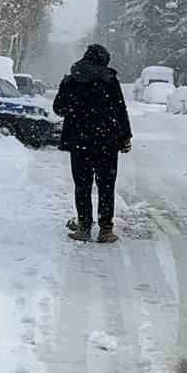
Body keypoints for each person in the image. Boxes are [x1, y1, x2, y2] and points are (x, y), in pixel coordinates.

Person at [54, 44, 133, 243]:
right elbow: (120, 111)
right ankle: (106, 229)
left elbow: (59, 108)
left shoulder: (71, 80)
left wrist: (75, 109)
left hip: (79, 141)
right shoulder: (109, 80)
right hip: (106, 141)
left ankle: (84, 227)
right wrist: (126, 137)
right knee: (106, 185)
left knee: (82, 184)